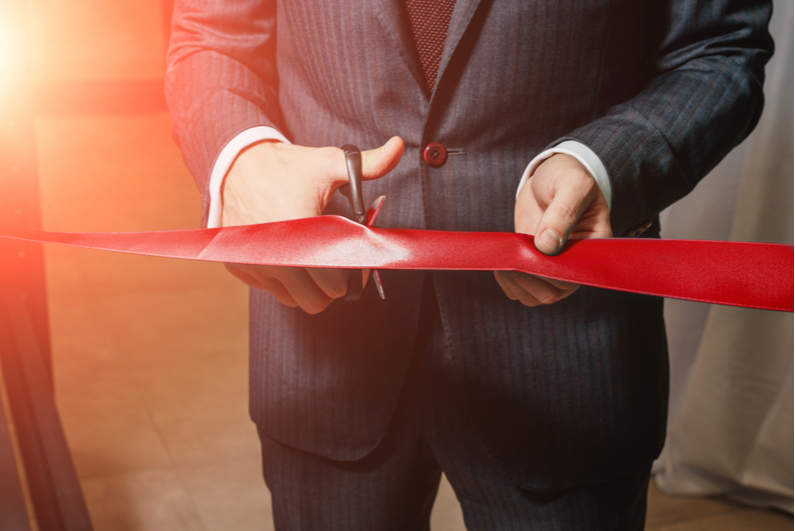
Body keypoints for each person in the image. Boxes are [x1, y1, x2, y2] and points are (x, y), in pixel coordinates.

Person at [165, 1, 773, 528]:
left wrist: (606, 164)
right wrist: (240, 156)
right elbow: (211, 40)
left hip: (565, 361)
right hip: (323, 344)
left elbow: (718, 49)